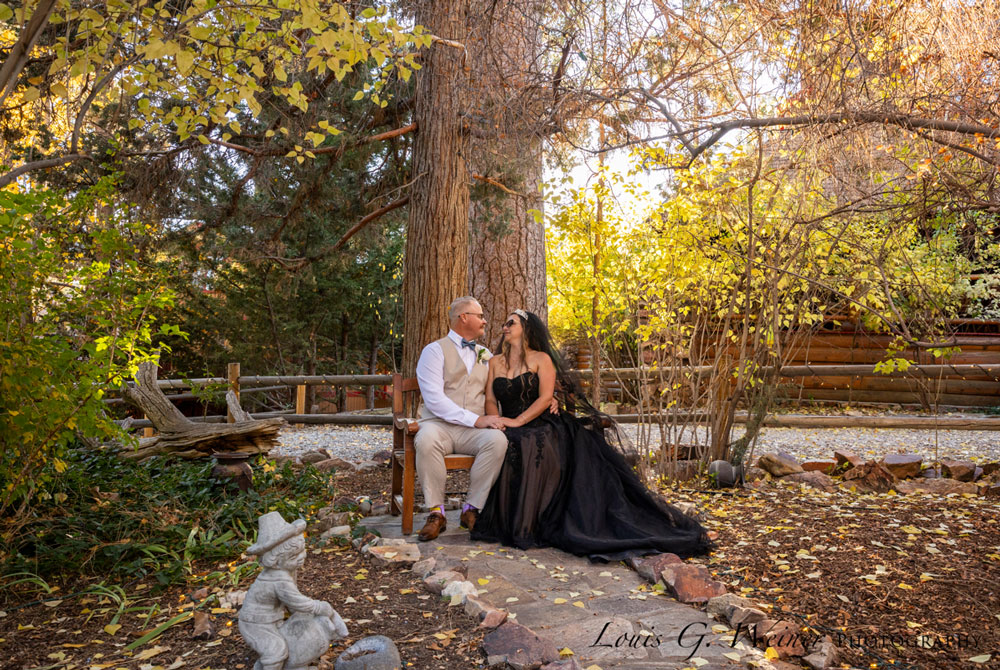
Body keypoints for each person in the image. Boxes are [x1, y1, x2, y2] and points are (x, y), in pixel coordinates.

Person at [471, 309, 712, 561]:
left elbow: (544, 398)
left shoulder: (541, 358)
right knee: (508, 442)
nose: (505, 327)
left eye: (512, 322)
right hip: (507, 423)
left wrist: (518, 421)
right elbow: (490, 398)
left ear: (527, 329)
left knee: (530, 442)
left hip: (540, 422)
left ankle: (530, 524)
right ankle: (509, 522)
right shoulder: (494, 362)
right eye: (505, 322)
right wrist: (496, 421)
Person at [412, 296, 509, 541]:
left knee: (497, 441)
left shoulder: (485, 355)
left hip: (471, 431)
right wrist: (477, 420)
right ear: (463, 317)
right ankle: (436, 513)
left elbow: (503, 385)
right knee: (425, 440)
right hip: (438, 425)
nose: (485, 321)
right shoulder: (433, 351)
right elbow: (434, 399)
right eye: (480, 315)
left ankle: (471, 510)